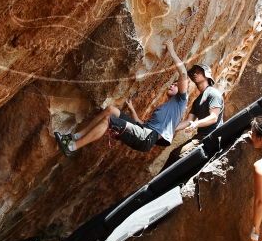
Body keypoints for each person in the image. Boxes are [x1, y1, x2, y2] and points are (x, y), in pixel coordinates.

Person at [54, 39, 189, 157]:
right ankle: (73, 137)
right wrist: (132, 110)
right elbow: (141, 124)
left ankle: (72, 147)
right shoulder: (167, 108)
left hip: (146, 137)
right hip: (144, 132)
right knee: (111, 110)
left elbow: (183, 73)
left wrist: (171, 50)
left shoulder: (181, 100)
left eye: (176, 85)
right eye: (173, 83)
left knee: (108, 121)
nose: (172, 84)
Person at [159, 63, 224, 170]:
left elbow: (214, 118)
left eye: (198, 72)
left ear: (206, 75)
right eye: (193, 72)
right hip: (201, 137)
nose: (194, 74)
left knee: (177, 156)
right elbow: (189, 121)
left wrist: (196, 124)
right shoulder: (197, 101)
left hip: (211, 137)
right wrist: (168, 128)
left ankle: (159, 184)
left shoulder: (213, 93)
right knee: (175, 156)